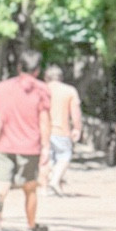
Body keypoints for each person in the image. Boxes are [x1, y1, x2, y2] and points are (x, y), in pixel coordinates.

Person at [0, 51, 52, 231]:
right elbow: (44, 120)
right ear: (37, 70)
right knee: (30, 189)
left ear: (18, 67)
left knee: (0, 188)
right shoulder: (42, 89)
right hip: (30, 147)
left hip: (4, 145)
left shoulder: (2, 87)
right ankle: (31, 228)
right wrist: (46, 147)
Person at [43, 65, 83, 196]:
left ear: (46, 77)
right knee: (64, 156)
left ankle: (46, 187)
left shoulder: (42, 90)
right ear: (61, 77)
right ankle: (55, 181)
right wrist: (77, 128)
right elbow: (75, 113)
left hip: (43, 130)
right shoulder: (69, 91)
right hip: (61, 130)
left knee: (47, 158)